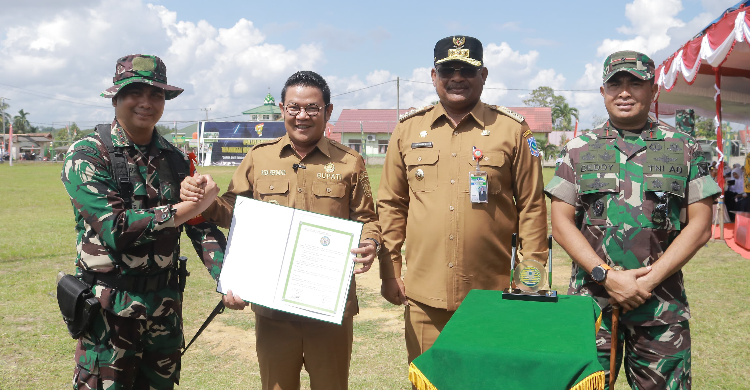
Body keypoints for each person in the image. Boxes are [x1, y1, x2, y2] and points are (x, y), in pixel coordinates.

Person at [180, 71, 381, 390]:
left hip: (329, 307)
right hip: (273, 309)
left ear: (328, 112)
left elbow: (367, 216)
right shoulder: (259, 158)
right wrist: (205, 200)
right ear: (283, 110)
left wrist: (370, 241)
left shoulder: (349, 162)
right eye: (294, 107)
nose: (303, 115)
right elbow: (232, 211)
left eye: (313, 108)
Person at [545, 50, 720, 389]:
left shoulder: (682, 146)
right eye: (615, 84)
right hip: (591, 307)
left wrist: (646, 281)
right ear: (603, 92)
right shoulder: (578, 148)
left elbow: (700, 226)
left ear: (653, 90)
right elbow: (562, 225)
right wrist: (607, 277)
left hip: (659, 308)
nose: (624, 92)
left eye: (635, 83)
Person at [377, 35, 548, 365]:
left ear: (483, 76)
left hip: (493, 295)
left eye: (467, 71)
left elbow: (532, 205)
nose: (457, 77)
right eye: (448, 70)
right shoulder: (408, 130)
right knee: (429, 382)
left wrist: (531, 275)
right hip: (425, 298)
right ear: (433, 76)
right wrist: (391, 270)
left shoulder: (513, 130)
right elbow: (391, 204)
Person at [61, 54, 226, 390]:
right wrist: (183, 208)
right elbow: (116, 229)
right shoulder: (88, 154)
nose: (146, 102)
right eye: (135, 92)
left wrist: (230, 277)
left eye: (156, 95)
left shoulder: (175, 158)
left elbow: (199, 226)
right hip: (109, 313)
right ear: (116, 97)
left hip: (163, 309)